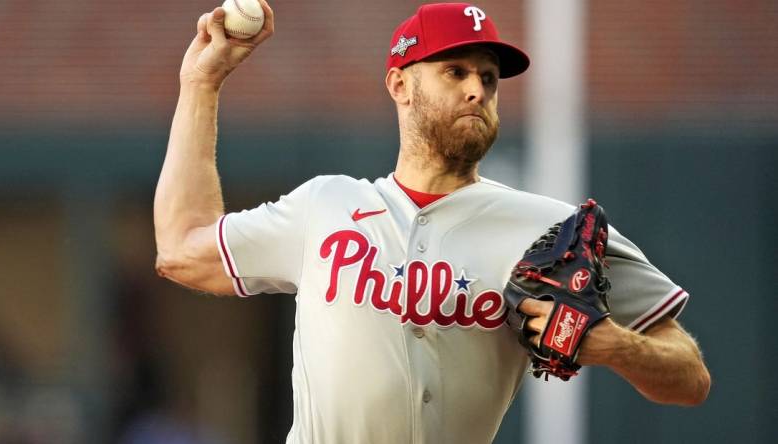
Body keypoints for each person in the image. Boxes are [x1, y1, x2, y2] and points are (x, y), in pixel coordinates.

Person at [154, 2, 710, 443]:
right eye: (455, 71)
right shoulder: (324, 207)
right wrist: (200, 86)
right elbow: (181, 250)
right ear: (400, 85)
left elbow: (690, 379)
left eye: (489, 79)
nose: (478, 90)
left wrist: (616, 346)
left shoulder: (551, 229)